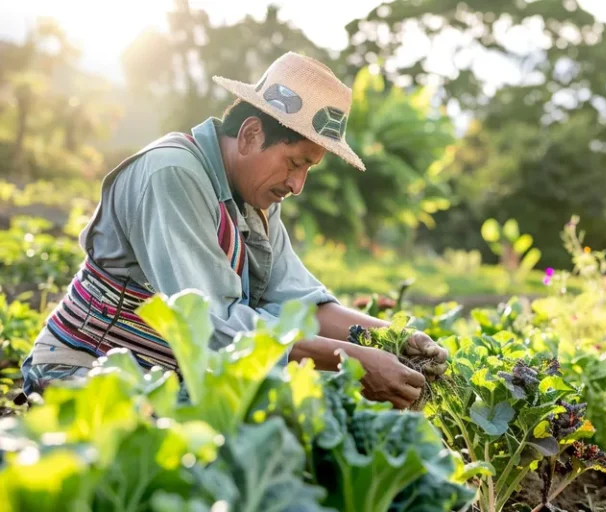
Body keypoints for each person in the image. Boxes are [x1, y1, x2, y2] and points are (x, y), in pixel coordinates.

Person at [19, 52, 448, 409]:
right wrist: (348, 360)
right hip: (83, 368)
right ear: (250, 134)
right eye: (296, 162)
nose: (298, 186)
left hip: (164, 380)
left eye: (309, 170)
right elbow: (210, 326)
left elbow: (299, 302)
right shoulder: (173, 174)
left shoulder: (255, 195)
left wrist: (393, 339)